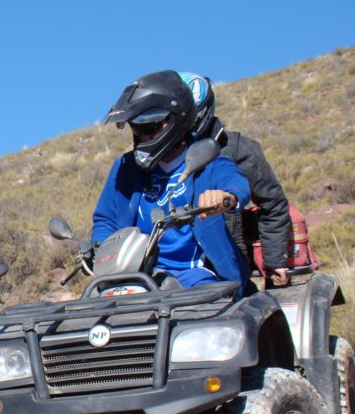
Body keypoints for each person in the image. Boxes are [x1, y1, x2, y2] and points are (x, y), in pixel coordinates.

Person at [92, 70, 251, 296]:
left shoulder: (207, 161)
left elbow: (236, 183)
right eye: (137, 129)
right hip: (135, 273)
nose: (144, 136)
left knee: (206, 310)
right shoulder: (126, 168)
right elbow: (105, 219)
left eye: (151, 127)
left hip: (192, 274)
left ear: (177, 120)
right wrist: (100, 249)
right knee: (91, 309)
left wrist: (225, 197)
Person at [180, 72, 292, 286]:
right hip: (175, 267)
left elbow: (273, 205)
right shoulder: (159, 159)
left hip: (227, 267)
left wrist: (275, 261)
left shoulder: (238, 150)